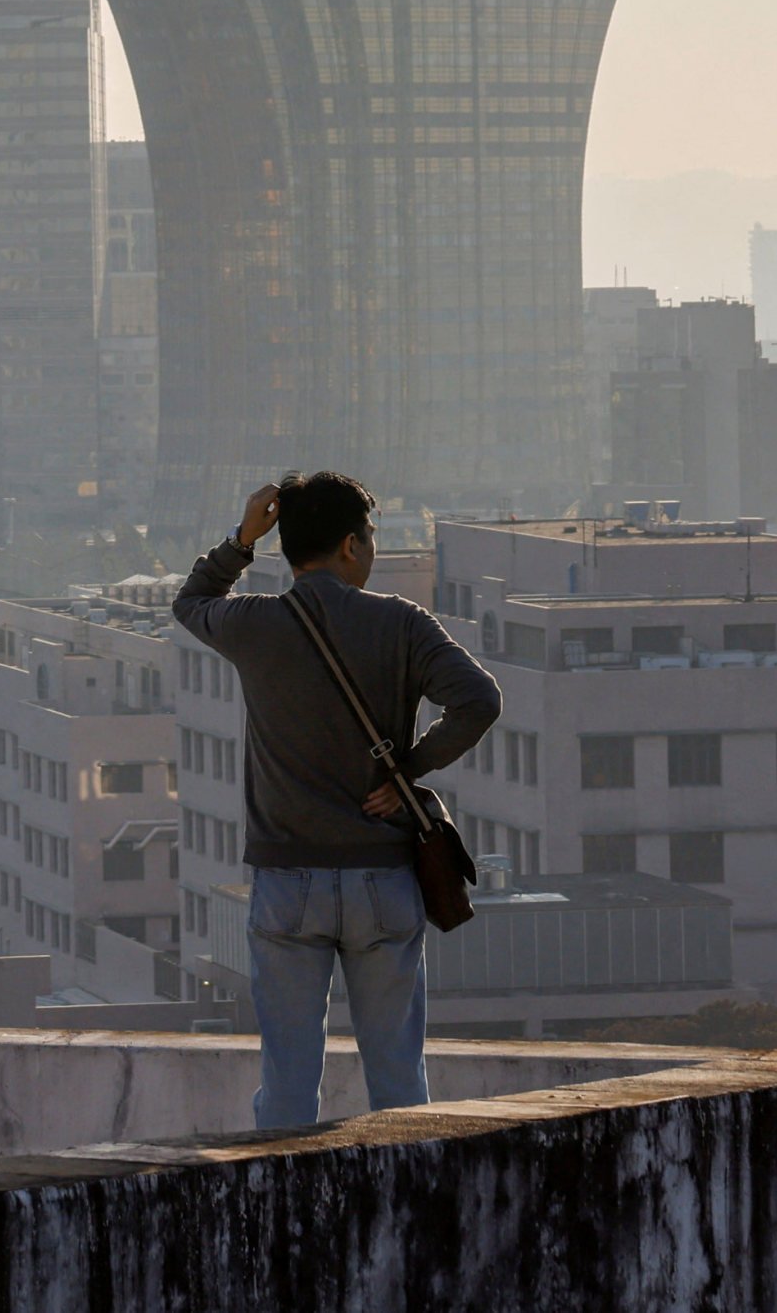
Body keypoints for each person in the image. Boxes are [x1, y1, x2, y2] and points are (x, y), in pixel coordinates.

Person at [173, 470, 502, 1129]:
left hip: (287, 881)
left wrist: (242, 539)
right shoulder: (400, 623)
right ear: (351, 546)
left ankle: (285, 1222)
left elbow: (190, 602)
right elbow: (478, 700)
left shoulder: (252, 622)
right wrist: (407, 773)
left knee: (288, 1081)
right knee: (398, 1079)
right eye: (371, 536)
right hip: (382, 878)